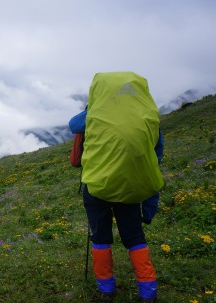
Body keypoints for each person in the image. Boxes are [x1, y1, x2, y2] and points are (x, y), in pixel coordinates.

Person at [69, 72, 164, 303]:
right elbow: (156, 155)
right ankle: (148, 291)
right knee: (134, 237)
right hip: (131, 186)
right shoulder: (148, 117)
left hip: (97, 186)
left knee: (100, 236)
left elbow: (73, 124)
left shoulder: (93, 114)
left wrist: (92, 107)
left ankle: (106, 290)